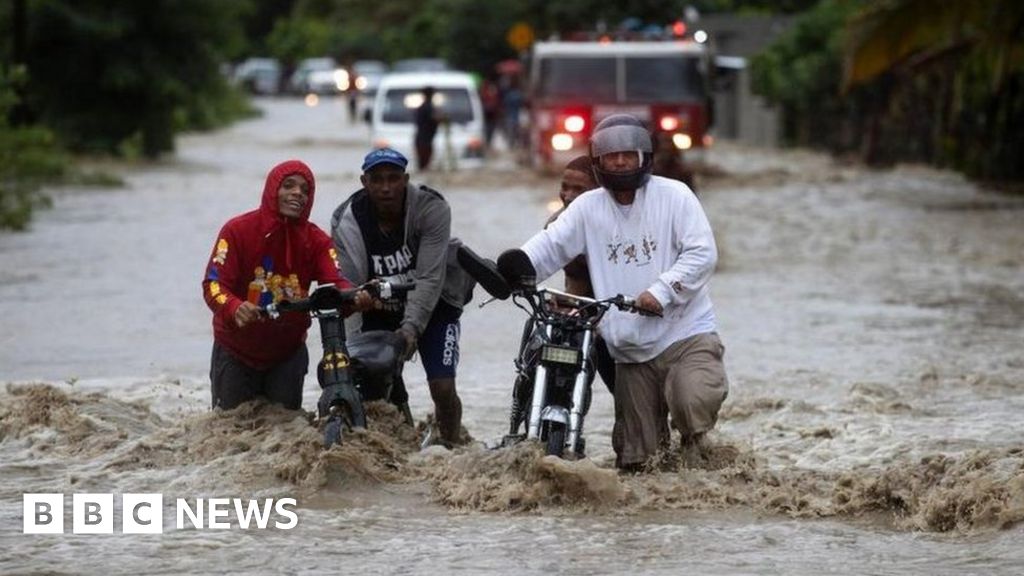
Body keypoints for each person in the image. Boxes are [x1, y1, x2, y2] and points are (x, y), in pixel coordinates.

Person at [513, 114, 729, 471]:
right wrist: (516, 268)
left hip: (684, 333)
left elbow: (702, 253)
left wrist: (661, 291)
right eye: (611, 156)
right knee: (637, 463)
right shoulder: (586, 207)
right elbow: (551, 246)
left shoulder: (675, 196)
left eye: (627, 154)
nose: (619, 162)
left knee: (691, 403)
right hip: (629, 349)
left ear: (644, 156)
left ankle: (699, 460)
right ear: (598, 161)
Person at [331, 148, 474, 446]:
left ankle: (452, 447)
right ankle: (392, 448)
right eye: (377, 180)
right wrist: (350, 349)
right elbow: (350, 286)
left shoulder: (431, 208)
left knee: (443, 387)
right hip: (378, 307)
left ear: (406, 180)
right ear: (364, 182)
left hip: (435, 303)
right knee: (371, 382)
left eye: (394, 179)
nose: (386, 188)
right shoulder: (346, 220)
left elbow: (430, 277)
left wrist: (411, 328)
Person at [202, 160, 370, 411]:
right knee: (230, 433)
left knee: (286, 432)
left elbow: (335, 282)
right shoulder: (236, 231)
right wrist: (234, 307)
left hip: (287, 354)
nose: (297, 193)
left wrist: (356, 298)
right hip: (235, 351)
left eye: (305, 190)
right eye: (288, 186)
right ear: (272, 190)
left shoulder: (318, 241)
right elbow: (213, 284)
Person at [544, 155, 616, 394]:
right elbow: (574, 279)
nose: (569, 195)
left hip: (618, 312)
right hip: (583, 310)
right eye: (565, 187)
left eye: (579, 189)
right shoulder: (556, 224)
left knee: (624, 393)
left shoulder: (616, 226)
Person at [414, 86, 439, 170]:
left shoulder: (427, 106)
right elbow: (433, 118)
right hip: (424, 139)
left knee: (424, 163)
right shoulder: (426, 107)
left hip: (425, 139)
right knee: (424, 163)